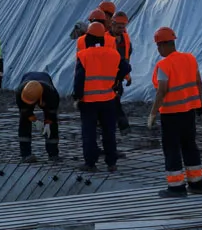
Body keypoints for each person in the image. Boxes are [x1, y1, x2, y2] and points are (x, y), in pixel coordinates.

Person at [150, 27, 202, 196]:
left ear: (163, 45)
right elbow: (199, 83)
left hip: (171, 114)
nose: (158, 50)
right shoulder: (190, 59)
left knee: (172, 149)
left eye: (158, 46)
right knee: (190, 146)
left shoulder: (163, 65)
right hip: (189, 112)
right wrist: (200, 102)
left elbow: (162, 91)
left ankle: (176, 187)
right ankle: (197, 185)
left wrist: (153, 113)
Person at [73, 21, 123, 173]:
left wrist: (77, 97)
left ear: (88, 38)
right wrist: (115, 81)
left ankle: (90, 163)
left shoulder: (83, 55)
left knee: (89, 133)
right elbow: (126, 67)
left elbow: (79, 79)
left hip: (88, 102)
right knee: (109, 132)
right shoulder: (113, 54)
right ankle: (111, 163)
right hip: (108, 100)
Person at [15, 71, 62, 162]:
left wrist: (48, 124)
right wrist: (35, 121)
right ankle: (25, 154)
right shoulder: (20, 93)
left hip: (44, 82)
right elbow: (25, 111)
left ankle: (53, 154)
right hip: (27, 79)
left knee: (52, 125)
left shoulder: (51, 95)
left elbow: (51, 114)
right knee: (24, 120)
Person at [110, 11, 137, 132]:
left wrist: (127, 76)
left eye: (123, 27)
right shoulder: (106, 38)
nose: (121, 29)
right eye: (119, 27)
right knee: (112, 102)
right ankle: (122, 123)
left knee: (114, 101)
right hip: (108, 77)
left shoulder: (125, 40)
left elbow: (127, 58)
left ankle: (116, 124)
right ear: (112, 24)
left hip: (119, 76)